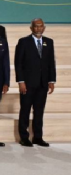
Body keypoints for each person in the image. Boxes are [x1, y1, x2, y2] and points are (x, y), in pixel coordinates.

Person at [15, 19, 56, 147]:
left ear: (44, 28)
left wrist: (51, 80)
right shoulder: (23, 42)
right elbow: (18, 63)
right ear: (31, 28)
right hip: (27, 83)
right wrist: (21, 81)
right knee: (25, 110)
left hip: (42, 83)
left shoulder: (49, 42)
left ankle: (38, 137)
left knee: (39, 111)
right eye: (36, 26)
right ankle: (24, 137)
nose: (38, 29)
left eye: (41, 26)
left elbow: (51, 62)